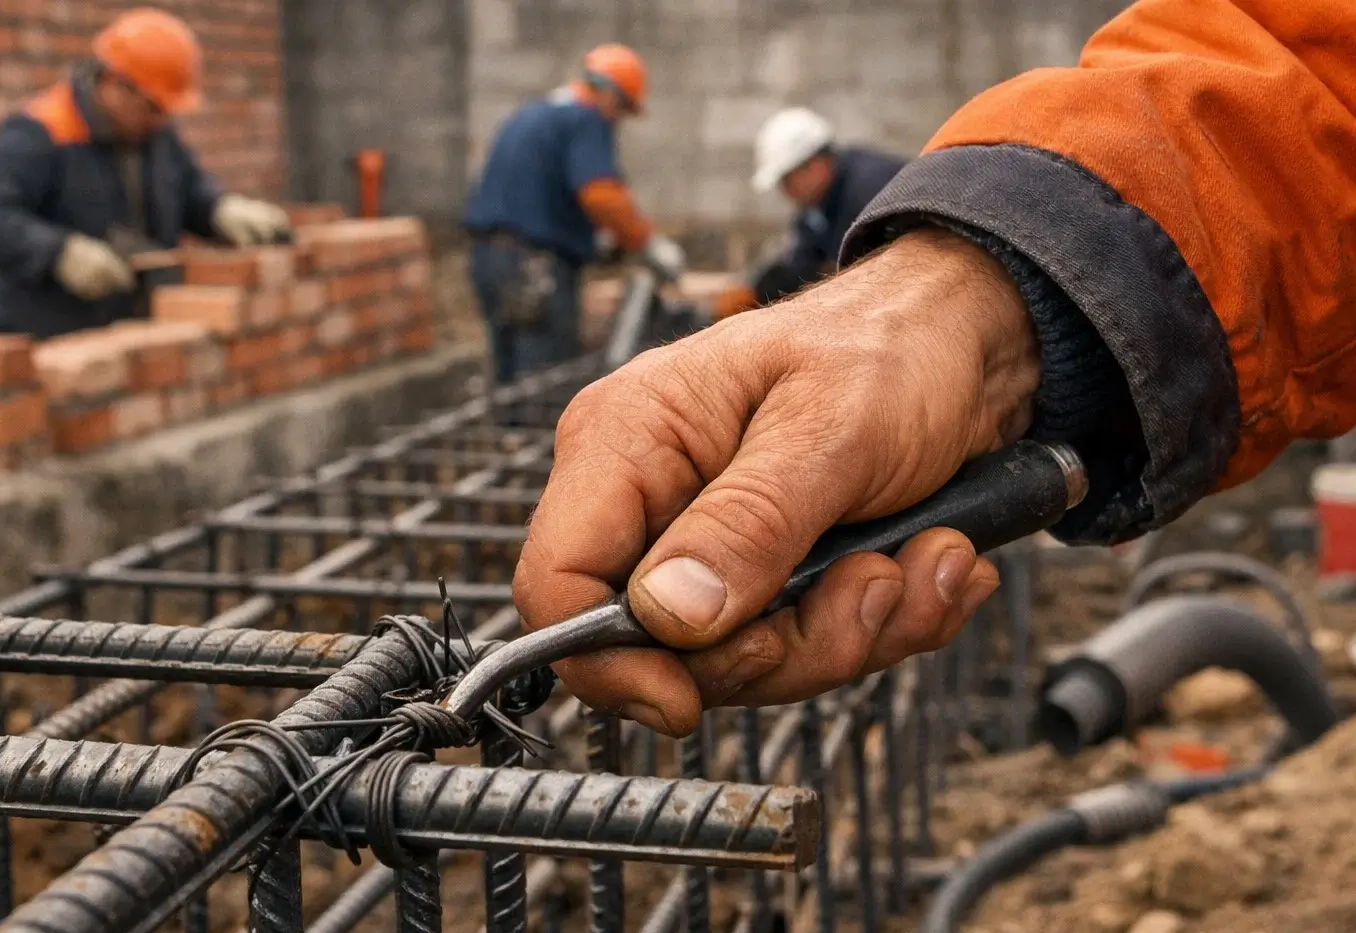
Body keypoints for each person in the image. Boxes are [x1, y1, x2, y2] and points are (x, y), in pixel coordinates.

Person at [512, 0, 1356, 738]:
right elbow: (1308, 82)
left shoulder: (860, 181)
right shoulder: (822, 198)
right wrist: (986, 314)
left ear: (810, 166)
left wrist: (945, 305)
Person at [0, 7, 290, 339]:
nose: (162, 120)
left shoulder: (153, 133)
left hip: (127, 334)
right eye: (153, 107)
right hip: (46, 339)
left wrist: (219, 209)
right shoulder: (42, 132)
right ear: (116, 84)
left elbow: (188, 189)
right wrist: (60, 253)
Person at [462, 44, 686, 385]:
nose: (617, 121)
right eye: (622, 110)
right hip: (535, 267)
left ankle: (508, 422)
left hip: (488, 260)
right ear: (611, 95)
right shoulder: (587, 118)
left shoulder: (534, 113)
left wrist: (591, 241)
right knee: (544, 382)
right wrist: (645, 243)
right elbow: (602, 196)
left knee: (509, 382)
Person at [708, 108, 907, 321]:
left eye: (787, 179)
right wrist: (756, 292)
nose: (785, 191)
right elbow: (802, 265)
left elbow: (886, 274)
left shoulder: (868, 191)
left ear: (813, 164)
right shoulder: (821, 204)